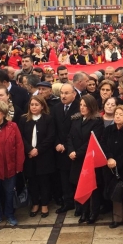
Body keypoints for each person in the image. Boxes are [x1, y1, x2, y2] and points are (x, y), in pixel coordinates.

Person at [67, 94, 104, 223]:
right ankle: (83, 211)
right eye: (81, 105)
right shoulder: (76, 120)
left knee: (91, 186)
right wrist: (71, 150)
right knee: (79, 184)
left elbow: (91, 140)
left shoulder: (97, 121)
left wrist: (77, 152)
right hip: (76, 158)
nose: (82, 108)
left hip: (88, 158)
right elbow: (70, 136)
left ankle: (93, 212)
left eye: (85, 106)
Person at [18, 96, 55, 218]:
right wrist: (29, 149)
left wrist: (38, 150)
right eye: (32, 104)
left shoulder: (48, 119)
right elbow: (20, 137)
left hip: (44, 156)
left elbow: (50, 137)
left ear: (42, 106)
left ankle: (44, 204)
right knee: (32, 181)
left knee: (44, 181)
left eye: (36, 105)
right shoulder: (24, 119)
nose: (34, 107)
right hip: (29, 156)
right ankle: (35, 203)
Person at [54, 83, 81, 214]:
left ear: (74, 94)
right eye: (61, 93)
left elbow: (75, 130)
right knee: (64, 179)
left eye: (66, 93)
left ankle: (79, 204)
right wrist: (57, 143)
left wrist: (66, 145)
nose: (63, 96)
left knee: (75, 178)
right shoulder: (57, 108)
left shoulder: (79, 107)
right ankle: (68, 202)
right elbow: (54, 128)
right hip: (60, 150)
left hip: (73, 149)